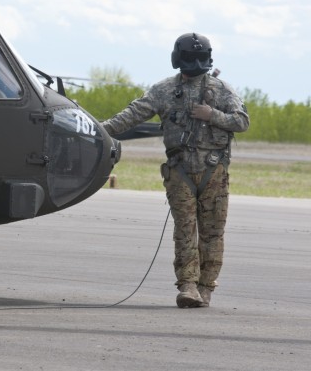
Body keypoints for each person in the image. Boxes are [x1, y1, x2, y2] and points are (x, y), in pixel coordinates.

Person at [101, 33, 250, 308]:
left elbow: (241, 121)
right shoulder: (163, 90)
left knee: (212, 232)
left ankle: (205, 288)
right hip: (180, 171)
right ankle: (188, 286)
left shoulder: (222, 90)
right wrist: (98, 129)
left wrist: (211, 115)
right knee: (185, 229)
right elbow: (131, 116)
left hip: (213, 171)